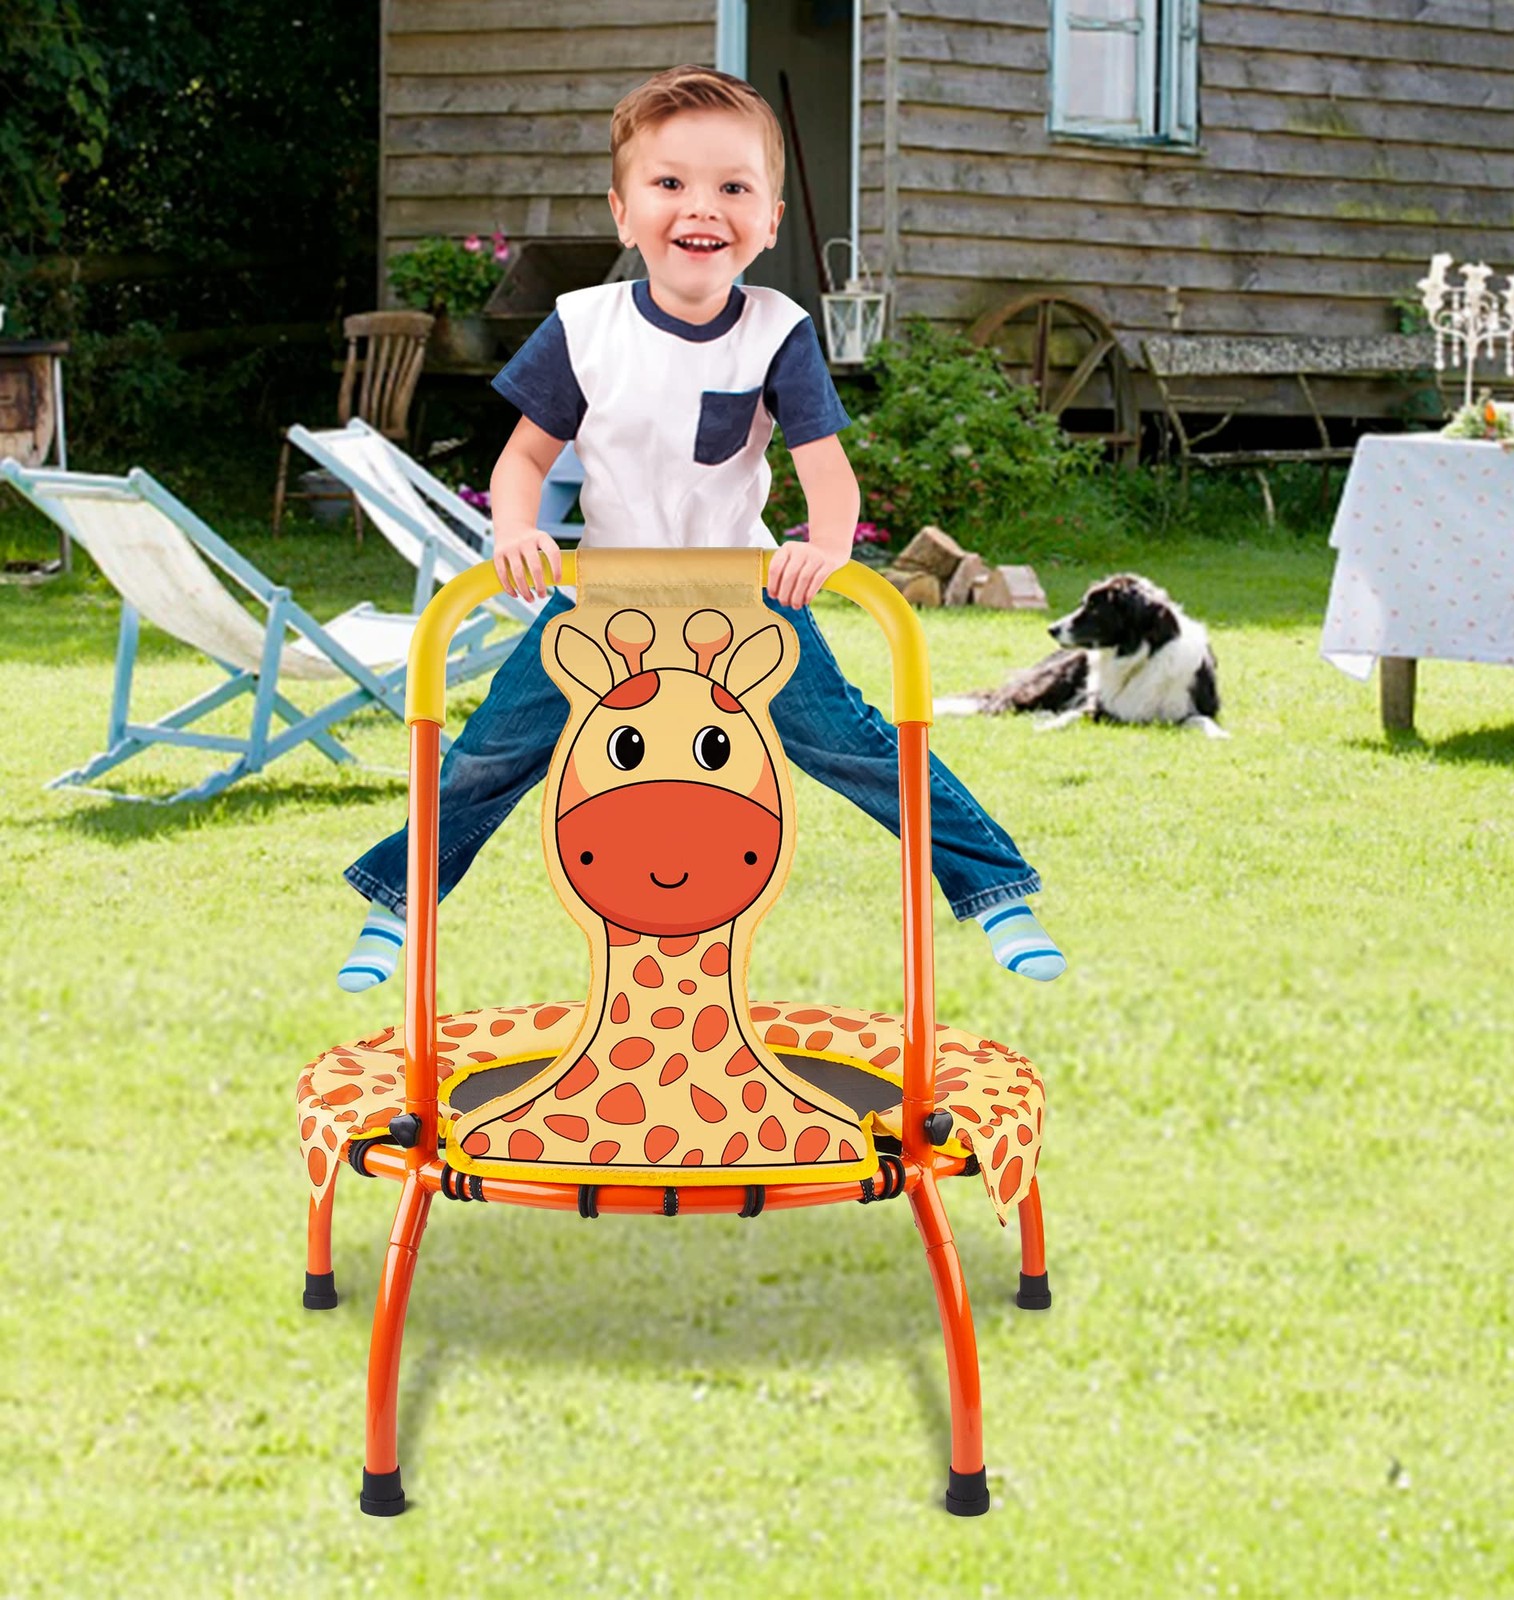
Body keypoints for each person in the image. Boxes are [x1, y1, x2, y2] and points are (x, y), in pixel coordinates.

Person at [338, 64, 1064, 991]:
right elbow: (522, 460)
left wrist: (823, 545)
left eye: (733, 187)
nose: (702, 207)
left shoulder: (776, 330)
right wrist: (515, 532)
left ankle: (995, 891)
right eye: (671, 182)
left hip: (741, 594)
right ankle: (395, 904)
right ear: (623, 212)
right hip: (605, 595)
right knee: (492, 752)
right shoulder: (583, 326)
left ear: (769, 220)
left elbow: (827, 471)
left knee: (852, 745)